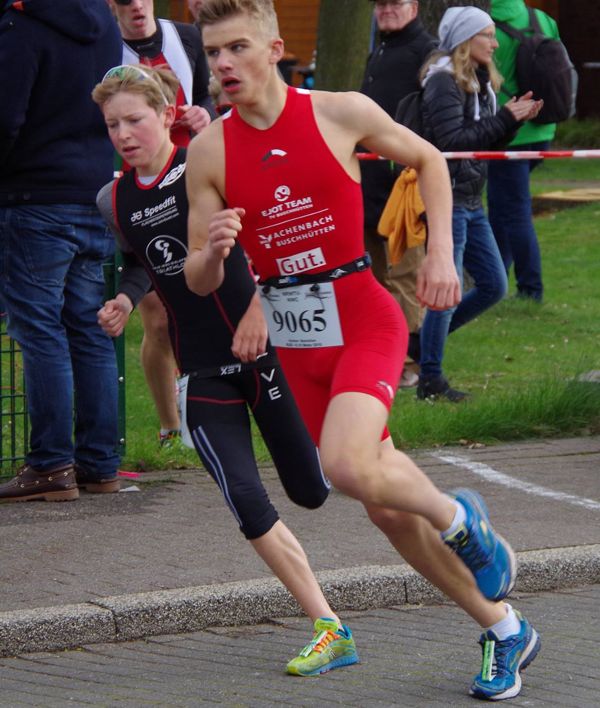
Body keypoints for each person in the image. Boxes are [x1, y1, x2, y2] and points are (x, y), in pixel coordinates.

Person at [184, 0, 540, 699]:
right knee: (384, 507)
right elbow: (198, 276)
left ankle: (462, 519)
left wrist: (441, 254)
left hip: (362, 313)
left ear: (273, 47)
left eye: (235, 48)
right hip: (296, 336)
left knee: (344, 466)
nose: (223, 64)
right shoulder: (209, 150)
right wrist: (216, 252)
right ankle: (504, 628)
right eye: (212, 53)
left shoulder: (337, 110)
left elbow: (431, 159)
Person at [92, 63, 357, 676]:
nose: (125, 133)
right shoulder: (114, 197)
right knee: (243, 496)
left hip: (260, 349)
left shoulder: (208, 164)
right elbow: (147, 261)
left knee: (312, 491)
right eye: (112, 124)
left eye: (135, 119)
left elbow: (274, 237)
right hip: (202, 368)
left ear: (165, 115)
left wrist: (261, 308)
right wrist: (128, 299)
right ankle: (329, 625)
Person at [0, 0, 122, 501]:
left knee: (40, 331)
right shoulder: (104, 22)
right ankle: (99, 463)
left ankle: (50, 465)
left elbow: (6, 117)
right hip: (92, 194)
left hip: (31, 199)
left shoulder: (21, 23)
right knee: (89, 331)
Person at [415, 6, 543, 403]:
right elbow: (454, 144)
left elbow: (483, 144)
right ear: (466, 42)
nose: (495, 41)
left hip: (471, 199)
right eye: (487, 35)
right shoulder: (442, 83)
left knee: (494, 285)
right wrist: (505, 117)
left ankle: (418, 349)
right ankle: (430, 379)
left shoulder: (482, 82)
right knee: (446, 293)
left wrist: (513, 119)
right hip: (447, 199)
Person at [109, 0, 214, 447]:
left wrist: (204, 114)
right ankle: (171, 426)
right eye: (123, 0)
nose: (135, 5)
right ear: (110, 7)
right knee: (156, 317)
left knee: (199, 307)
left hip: (191, 182)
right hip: (137, 189)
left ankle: (212, 410)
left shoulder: (186, 38)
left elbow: (206, 95)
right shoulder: (105, 47)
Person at [360, 0, 437, 388]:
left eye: (396, 3)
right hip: (369, 183)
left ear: (414, 7)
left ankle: (411, 362)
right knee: (374, 277)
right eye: (381, 3)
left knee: (407, 273)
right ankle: (388, 353)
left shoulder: (427, 52)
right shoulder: (380, 50)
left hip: (405, 185)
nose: (387, 9)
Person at [487, 0, 561, 302]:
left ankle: (531, 289)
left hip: (510, 135)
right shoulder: (540, 17)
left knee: (514, 211)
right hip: (543, 129)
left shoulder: (483, 23)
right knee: (501, 206)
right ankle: (495, 278)